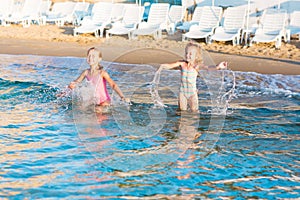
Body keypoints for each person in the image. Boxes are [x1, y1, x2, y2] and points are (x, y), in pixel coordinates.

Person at [156, 42, 227, 112]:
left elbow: (208, 68)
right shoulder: (182, 63)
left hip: (192, 94)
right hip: (182, 93)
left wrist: (218, 66)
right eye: (186, 53)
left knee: (194, 111)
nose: (187, 55)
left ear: (196, 56)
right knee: (181, 111)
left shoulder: (197, 66)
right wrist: (163, 66)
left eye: (190, 54)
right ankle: (182, 123)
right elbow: (171, 65)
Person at [68, 47, 128, 113]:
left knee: (98, 110)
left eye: (93, 56)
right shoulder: (86, 72)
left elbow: (113, 85)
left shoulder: (102, 73)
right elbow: (77, 82)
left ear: (99, 59)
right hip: (94, 101)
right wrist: (72, 85)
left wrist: (122, 97)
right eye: (89, 56)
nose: (90, 58)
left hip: (104, 101)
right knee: (79, 109)